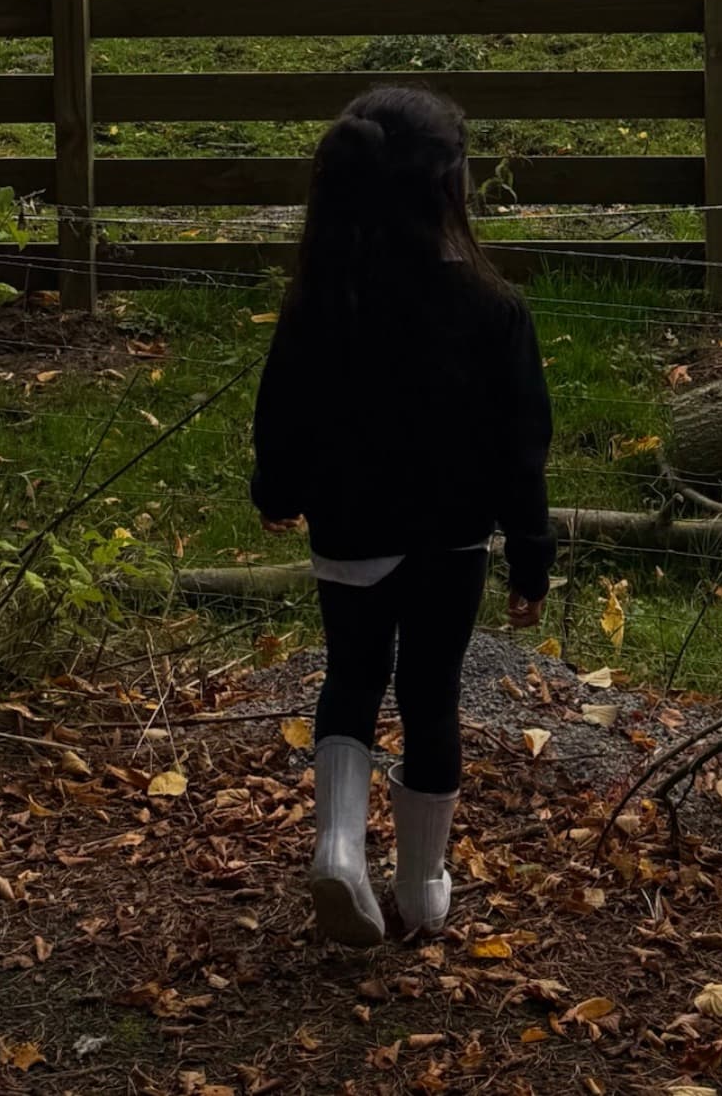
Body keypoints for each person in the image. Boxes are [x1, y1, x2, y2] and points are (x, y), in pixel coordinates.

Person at [251, 85, 555, 948]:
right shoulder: (496, 310)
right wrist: (531, 557)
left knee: (349, 680)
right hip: (451, 541)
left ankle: (339, 849)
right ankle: (423, 887)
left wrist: (278, 492)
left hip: (350, 529)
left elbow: (282, 409)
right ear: (450, 185)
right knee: (432, 697)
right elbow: (521, 449)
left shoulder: (322, 299)